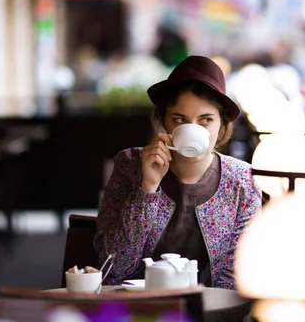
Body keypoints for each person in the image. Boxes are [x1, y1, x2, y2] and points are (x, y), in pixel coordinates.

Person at [94, 56, 262, 289]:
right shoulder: (130, 165)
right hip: (136, 308)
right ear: (163, 122)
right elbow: (114, 266)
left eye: (206, 120)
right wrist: (148, 188)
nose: (193, 129)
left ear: (221, 125)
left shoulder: (243, 180)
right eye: (180, 119)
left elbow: (235, 277)